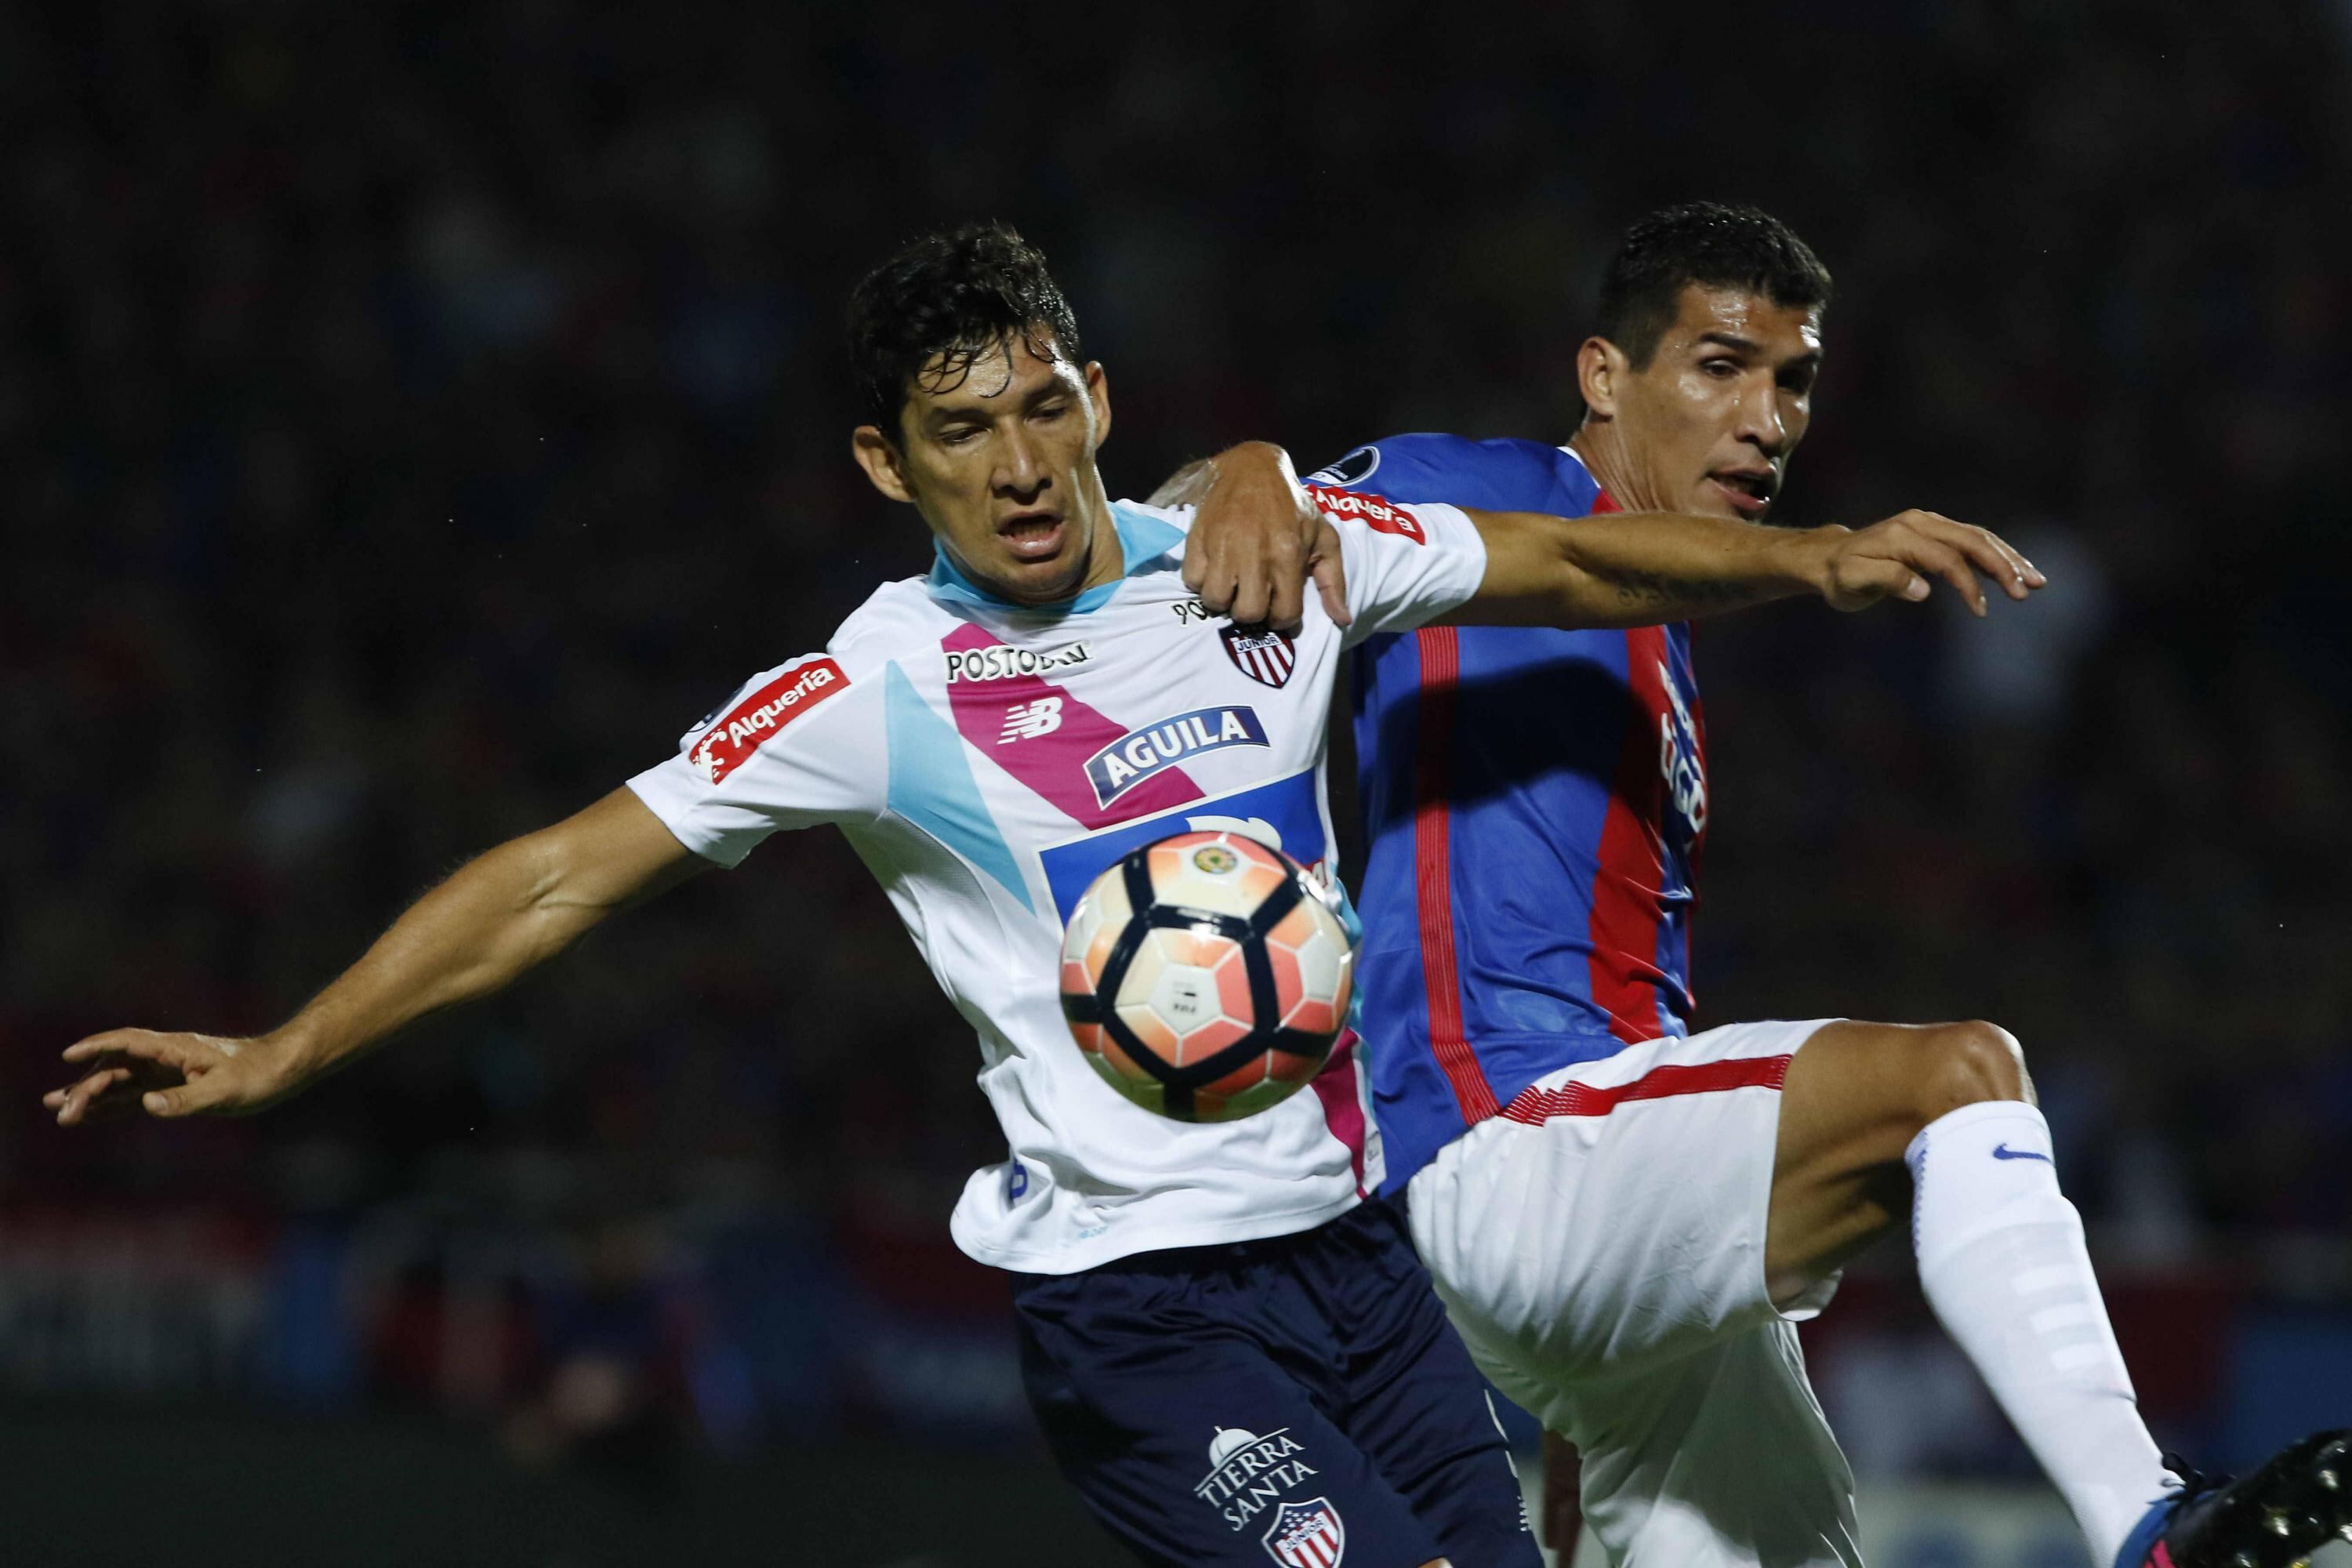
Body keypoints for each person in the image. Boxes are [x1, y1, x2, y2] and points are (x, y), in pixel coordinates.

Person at [45, 219, 2034, 1568]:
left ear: (1094, 386)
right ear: (881, 463)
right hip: (1148, 1324)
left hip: (1363, 1273)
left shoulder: (1260, 561)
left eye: (1042, 406)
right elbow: (565, 874)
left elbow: (1579, 564)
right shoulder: (876, 688)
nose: (1017, 464)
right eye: (958, 430)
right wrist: (286, 1043)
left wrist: (1820, 558)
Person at [1185, 201, 2350, 1568]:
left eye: (1792, 378)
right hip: (1499, 1134)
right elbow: (1232, 514)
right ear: (1604, 377)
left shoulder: (1668, 647)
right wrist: (1248, 464)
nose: (1769, 419)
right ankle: (2154, 1523)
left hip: (1599, 1209)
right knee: (1958, 1079)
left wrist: (1590, 1395)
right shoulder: (1483, 489)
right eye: (1719, 366)